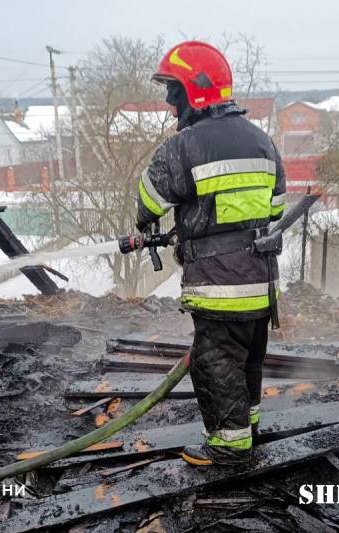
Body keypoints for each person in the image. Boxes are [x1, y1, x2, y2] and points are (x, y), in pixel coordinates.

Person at [136, 41, 286, 466]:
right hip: (261, 282)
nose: (168, 101)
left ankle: (228, 448)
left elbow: (149, 203)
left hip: (219, 287)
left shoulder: (184, 146)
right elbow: (274, 208)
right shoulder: (262, 142)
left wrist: (168, 223)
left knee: (215, 364)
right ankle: (248, 431)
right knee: (247, 362)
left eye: (173, 90)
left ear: (193, 91)